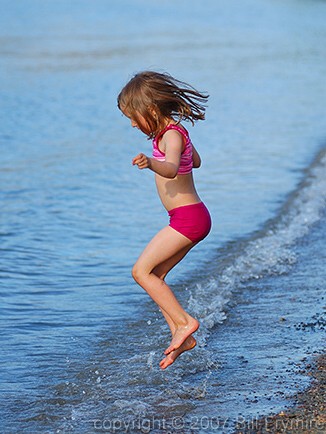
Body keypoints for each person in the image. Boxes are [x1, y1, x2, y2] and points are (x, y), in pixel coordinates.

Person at [117, 71, 211, 369]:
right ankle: (181, 335)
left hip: (187, 218)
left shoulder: (170, 135)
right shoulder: (176, 133)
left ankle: (185, 323)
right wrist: (183, 149)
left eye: (134, 117)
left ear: (152, 111)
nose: (133, 124)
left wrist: (150, 163)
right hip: (190, 216)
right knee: (155, 276)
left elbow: (171, 169)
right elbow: (194, 161)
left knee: (141, 272)